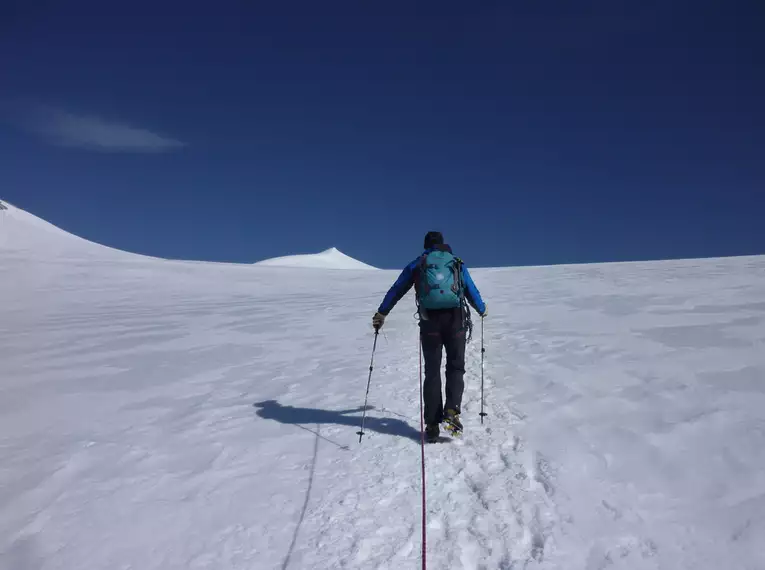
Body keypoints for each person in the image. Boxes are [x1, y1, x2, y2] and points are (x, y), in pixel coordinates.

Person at [372, 231, 487, 442]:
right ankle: (452, 411)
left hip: (429, 322)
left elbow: (397, 289)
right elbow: (470, 288)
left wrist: (382, 313)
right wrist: (481, 309)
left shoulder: (419, 263)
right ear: (443, 245)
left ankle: (432, 424)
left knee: (432, 371)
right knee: (455, 367)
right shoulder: (456, 263)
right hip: (456, 320)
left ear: (426, 246)